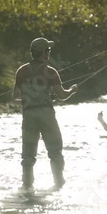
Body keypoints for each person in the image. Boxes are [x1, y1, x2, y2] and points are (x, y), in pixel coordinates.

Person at [13, 37, 78, 190]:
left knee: (28, 156)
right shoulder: (50, 72)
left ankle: (27, 188)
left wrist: (31, 94)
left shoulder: (21, 71)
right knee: (55, 152)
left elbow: (15, 95)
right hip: (46, 115)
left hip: (28, 115)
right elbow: (62, 95)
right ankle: (59, 184)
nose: (49, 53)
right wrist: (72, 90)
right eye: (48, 50)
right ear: (44, 53)